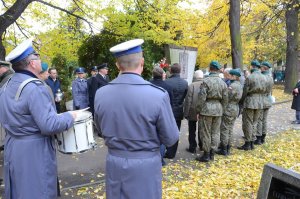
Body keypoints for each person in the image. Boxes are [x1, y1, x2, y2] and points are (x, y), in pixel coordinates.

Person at [94, 39, 179, 199]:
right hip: (145, 166)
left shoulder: (101, 93)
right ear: (142, 62)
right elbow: (171, 138)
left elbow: (100, 129)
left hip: (115, 162)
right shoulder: (157, 95)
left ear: (118, 65)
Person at [0, 39, 77, 199]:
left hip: (13, 145)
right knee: (38, 190)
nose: (40, 60)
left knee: (19, 191)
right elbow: (49, 125)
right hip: (34, 150)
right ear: (32, 63)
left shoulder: (6, 85)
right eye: (38, 56)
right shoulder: (35, 87)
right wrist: (70, 116)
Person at [195, 61, 228, 162]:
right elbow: (225, 98)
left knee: (206, 132)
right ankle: (212, 153)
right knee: (215, 132)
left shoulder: (206, 81)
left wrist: (198, 110)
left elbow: (201, 98)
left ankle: (206, 154)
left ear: (210, 68)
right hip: (218, 109)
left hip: (206, 109)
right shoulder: (223, 83)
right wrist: (222, 109)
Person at [238, 60, 266, 150]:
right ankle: (252, 143)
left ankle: (248, 143)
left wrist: (241, 101)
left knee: (248, 122)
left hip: (250, 101)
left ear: (253, 67)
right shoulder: (264, 77)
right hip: (260, 102)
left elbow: (245, 91)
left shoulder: (250, 77)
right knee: (255, 122)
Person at [150, 66, 174, 166]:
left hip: (150, 114)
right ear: (162, 75)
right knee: (162, 137)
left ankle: (152, 157)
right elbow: (171, 103)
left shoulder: (148, 85)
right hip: (163, 114)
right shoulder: (168, 87)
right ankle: (160, 158)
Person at [164, 63, 188, 159]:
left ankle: (166, 150)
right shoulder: (185, 83)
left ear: (171, 71)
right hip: (178, 110)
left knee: (166, 130)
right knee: (176, 131)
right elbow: (185, 96)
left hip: (168, 110)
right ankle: (172, 153)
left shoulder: (167, 82)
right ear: (180, 71)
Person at [217, 69, 243, 156]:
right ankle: (227, 147)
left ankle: (224, 149)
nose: (229, 76)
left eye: (231, 75)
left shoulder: (232, 86)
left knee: (224, 129)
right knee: (230, 129)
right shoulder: (239, 85)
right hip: (235, 108)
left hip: (229, 108)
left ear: (234, 77)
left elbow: (226, 97)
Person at [183, 70, 204, 153]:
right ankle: (202, 145)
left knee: (192, 130)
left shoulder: (192, 85)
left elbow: (188, 100)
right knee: (202, 129)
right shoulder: (206, 84)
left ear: (195, 76)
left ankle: (192, 147)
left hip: (193, 110)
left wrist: (186, 113)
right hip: (203, 110)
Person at [255, 61, 274, 145]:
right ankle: (263, 137)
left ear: (264, 68)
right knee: (264, 120)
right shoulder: (270, 77)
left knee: (259, 119)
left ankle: (258, 138)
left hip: (262, 99)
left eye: (261, 67)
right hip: (268, 99)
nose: (260, 68)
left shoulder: (262, 77)